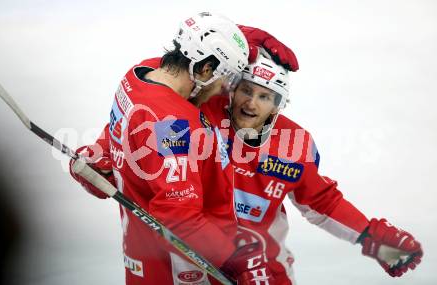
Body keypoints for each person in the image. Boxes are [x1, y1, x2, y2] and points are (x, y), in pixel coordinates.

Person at [72, 30, 423, 284]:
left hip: (260, 271)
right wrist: (103, 155)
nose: (251, 103)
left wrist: (370, 237)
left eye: (266, 96)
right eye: (246, 90)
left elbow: (322, 200)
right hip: (172, 264)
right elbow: (148, 111)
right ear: (230, 86)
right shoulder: (201, 108)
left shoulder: (294, 143)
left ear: (279, 104)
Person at [69, 12, 298, 285]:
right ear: (204, 70)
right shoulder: (174, 127)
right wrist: (237, 262)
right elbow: (179, 218)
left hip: (144, 262)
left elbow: (127, 129)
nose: (223, 92)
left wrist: (99, 155)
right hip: (185, 272)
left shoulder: (142, 73)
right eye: (222, 80)